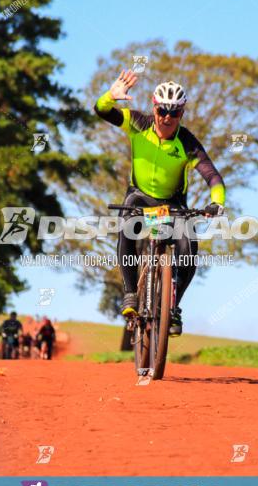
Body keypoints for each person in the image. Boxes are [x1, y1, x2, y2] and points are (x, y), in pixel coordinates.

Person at [94, 70, 226, 336]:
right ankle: (131, 293)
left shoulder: (187, 143)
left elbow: (213, 176)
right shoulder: (138, 123)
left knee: (188, 248)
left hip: (173, 204)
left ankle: (173, 306)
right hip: (139, 198)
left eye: (174, 113)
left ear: (182, 114)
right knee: (127, 228)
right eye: (163, 110)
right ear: (154, 108)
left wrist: (216, 202)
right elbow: (101, 110)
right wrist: (111, 96)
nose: (167, 117)